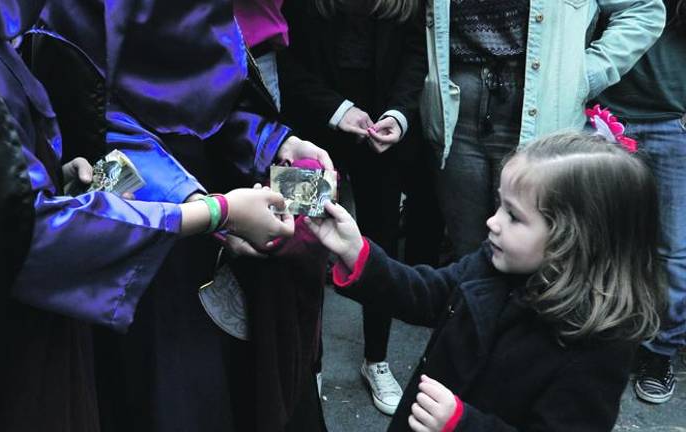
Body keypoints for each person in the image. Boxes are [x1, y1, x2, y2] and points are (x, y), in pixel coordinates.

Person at [0, 1, 297, 430]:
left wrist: (271, 142)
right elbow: (25, 224)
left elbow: (215, 87)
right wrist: (209, 208)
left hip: (135, 225)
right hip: (117, 253)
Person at [26, 1, 332, 430]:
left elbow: (216, 101)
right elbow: (90, 133)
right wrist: (204, 206)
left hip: (223, 209)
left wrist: (277, 143)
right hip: (145, 234)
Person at [305, 132, 666, 431]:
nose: (493, 222)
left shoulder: (597, 345)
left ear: (574, 239)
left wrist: (462, 425)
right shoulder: (494, 264)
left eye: (514, 216)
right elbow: (427, 293)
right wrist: (357, 254)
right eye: (499, 206)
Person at [422, 0, 666, 260]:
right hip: (456, 112)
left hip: (543, 105)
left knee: (540, 252)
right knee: (467, 248)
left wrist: (588, 74)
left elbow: (643, 9)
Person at [279, 0, 431, 414]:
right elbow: (282, 61)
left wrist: (399, 116)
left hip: (380, 135)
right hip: (309, 132)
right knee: (301, 242)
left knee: (376, 243)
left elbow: (418, 55)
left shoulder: (404, 7)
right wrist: (337, 110)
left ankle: (376, 359)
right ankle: (310, 362)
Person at [595, 0, 686, 404]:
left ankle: (659, 353)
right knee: (599, 237)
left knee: (673, 250)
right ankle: (597, 337)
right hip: (606, 112)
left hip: (673, 120)